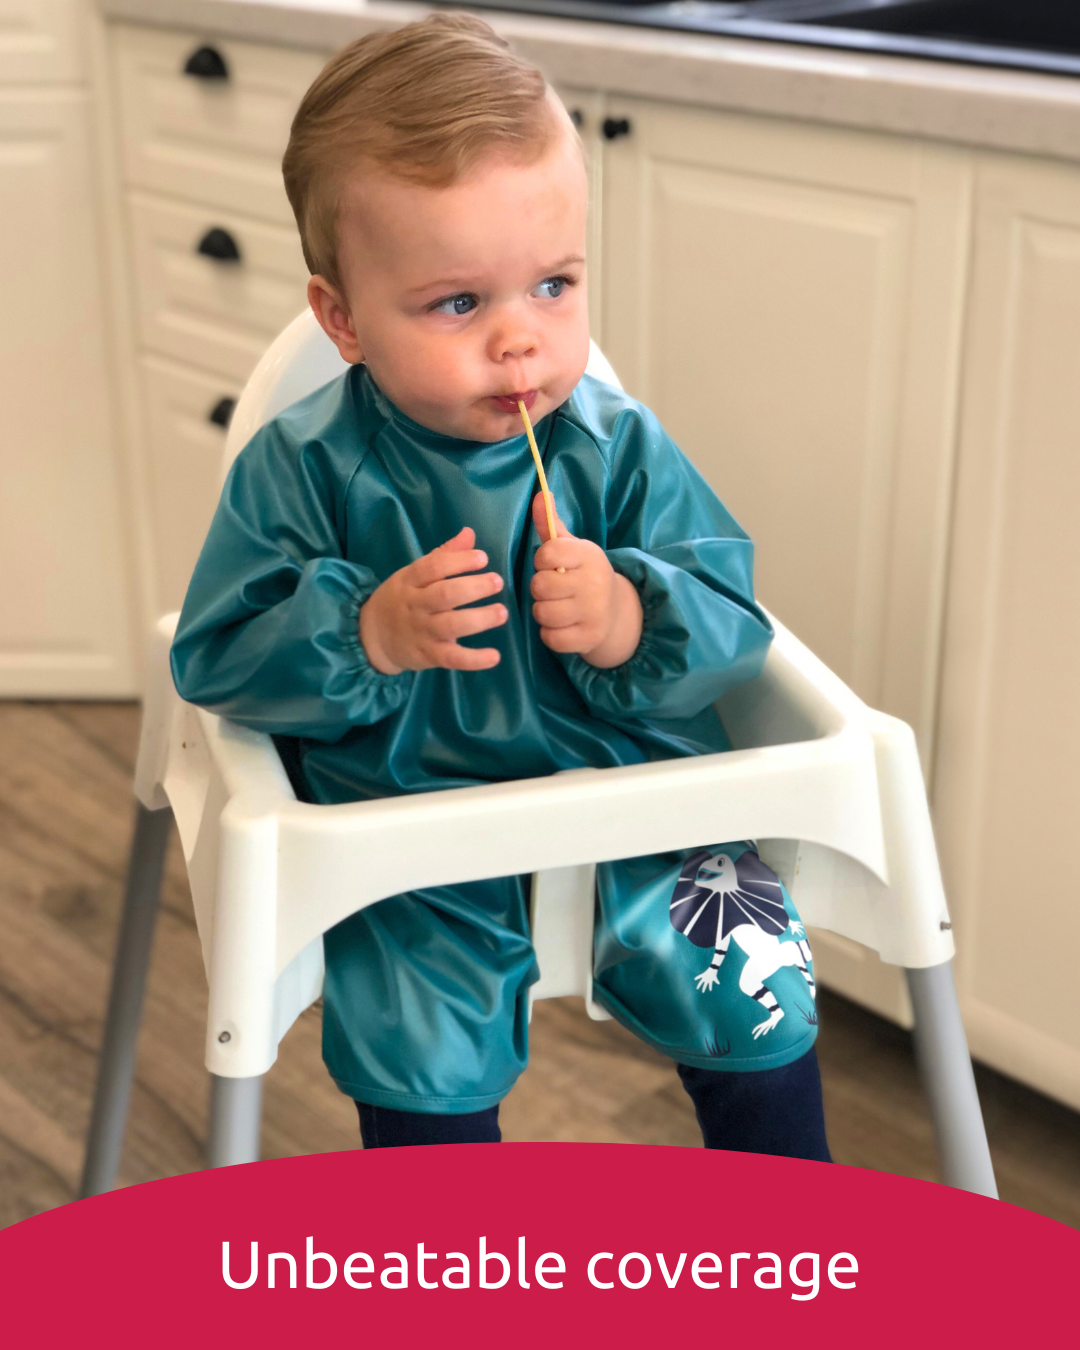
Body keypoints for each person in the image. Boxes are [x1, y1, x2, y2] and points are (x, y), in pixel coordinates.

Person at [171, 13, 831, 1160]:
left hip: (640, 808)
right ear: (343, 320)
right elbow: (215, 657)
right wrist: (364, 633)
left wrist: (632, 616)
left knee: (753, 980)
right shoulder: (303, 468)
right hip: (408, 833)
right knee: (419, 1040)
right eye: (460, 304)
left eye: (554, 286)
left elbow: (736, 620)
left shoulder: (617, 447)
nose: (521, 344)